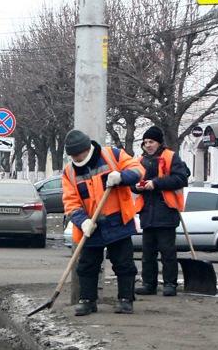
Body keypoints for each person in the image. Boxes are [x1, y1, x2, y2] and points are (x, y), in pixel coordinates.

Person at [61, 129, 145, 316]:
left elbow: (139, 170)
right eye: (72, 156)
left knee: (123, 263)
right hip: (92, 225)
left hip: (118, 219)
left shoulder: (112, 155)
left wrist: (122, 177)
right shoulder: (69, 172)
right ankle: (87, 300)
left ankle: (125, 299)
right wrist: (82, 222)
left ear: (87, 149)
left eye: (78, 154)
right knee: (87, 265)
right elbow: (70, 201)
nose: (76, 158)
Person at [132, 126, 190, 297]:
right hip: (147, 213)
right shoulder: (140, 161)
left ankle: (170, 284)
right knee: (148, 253)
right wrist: (136, 187)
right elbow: (133, 183)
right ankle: (149, 284)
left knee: (168, 252)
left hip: (166, 211)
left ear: (158, 142)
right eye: (145, 142)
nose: (148, 145)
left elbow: (180, 179)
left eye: (151, 142)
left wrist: (156, 183)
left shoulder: (171, 157)